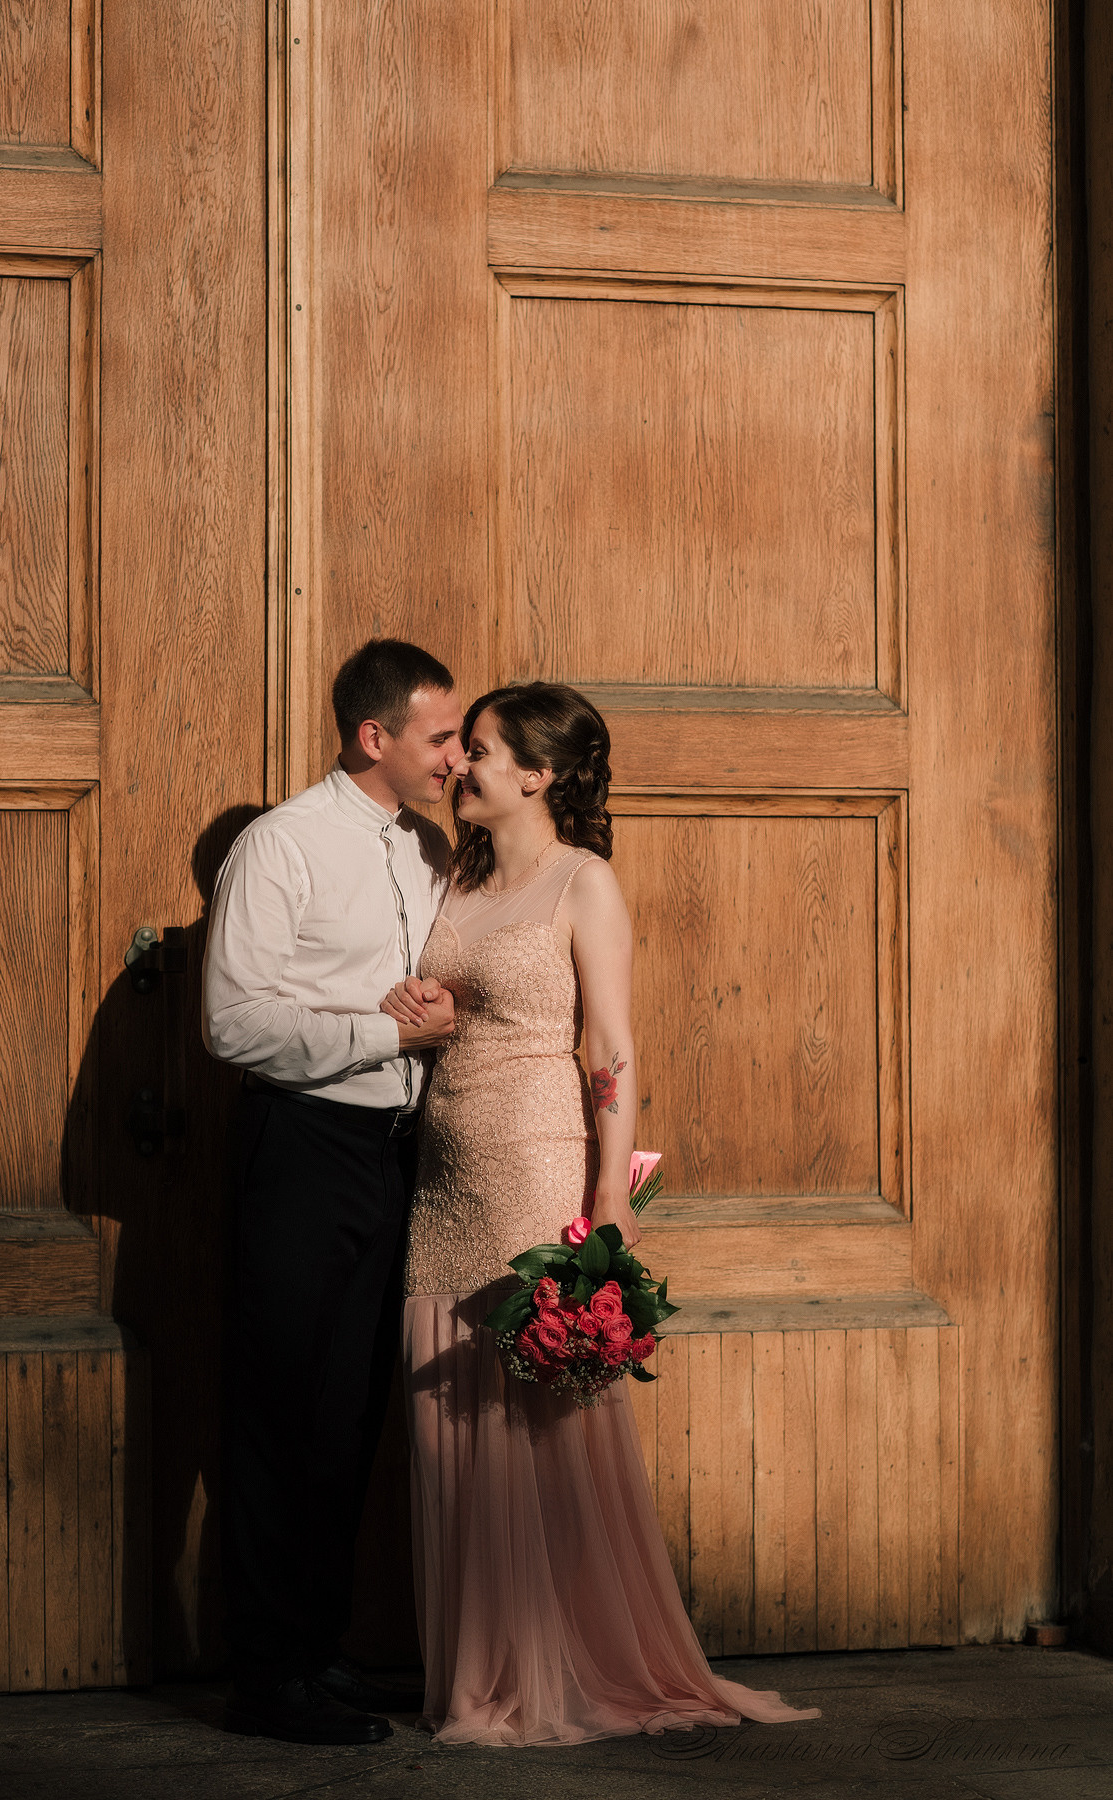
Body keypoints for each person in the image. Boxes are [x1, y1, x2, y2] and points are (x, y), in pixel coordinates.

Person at [381, 682, 819, 1746]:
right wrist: (420, 1010)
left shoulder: (584, 882)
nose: (459, 767)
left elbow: (610, 1050)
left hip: (536, 1166)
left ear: (534, 773)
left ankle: (550, 1672)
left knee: (528, 1421)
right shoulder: (457, 877)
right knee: (449, 1430)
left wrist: (609, 1199)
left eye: (477, 751)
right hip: (440, 1177)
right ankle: (478, 1673)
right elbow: (450, 1005)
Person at [202, 638, 463, 1745]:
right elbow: (233, 1020)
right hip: (304, 1149)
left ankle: (317, 1652)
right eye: (441, 735)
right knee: (282, 1409)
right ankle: (265, 1677)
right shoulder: (282, 846)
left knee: (352, 1412)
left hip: (398, 1155)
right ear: (376, 737)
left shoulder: (431, 850)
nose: (456, 755)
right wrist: (383, 1031)